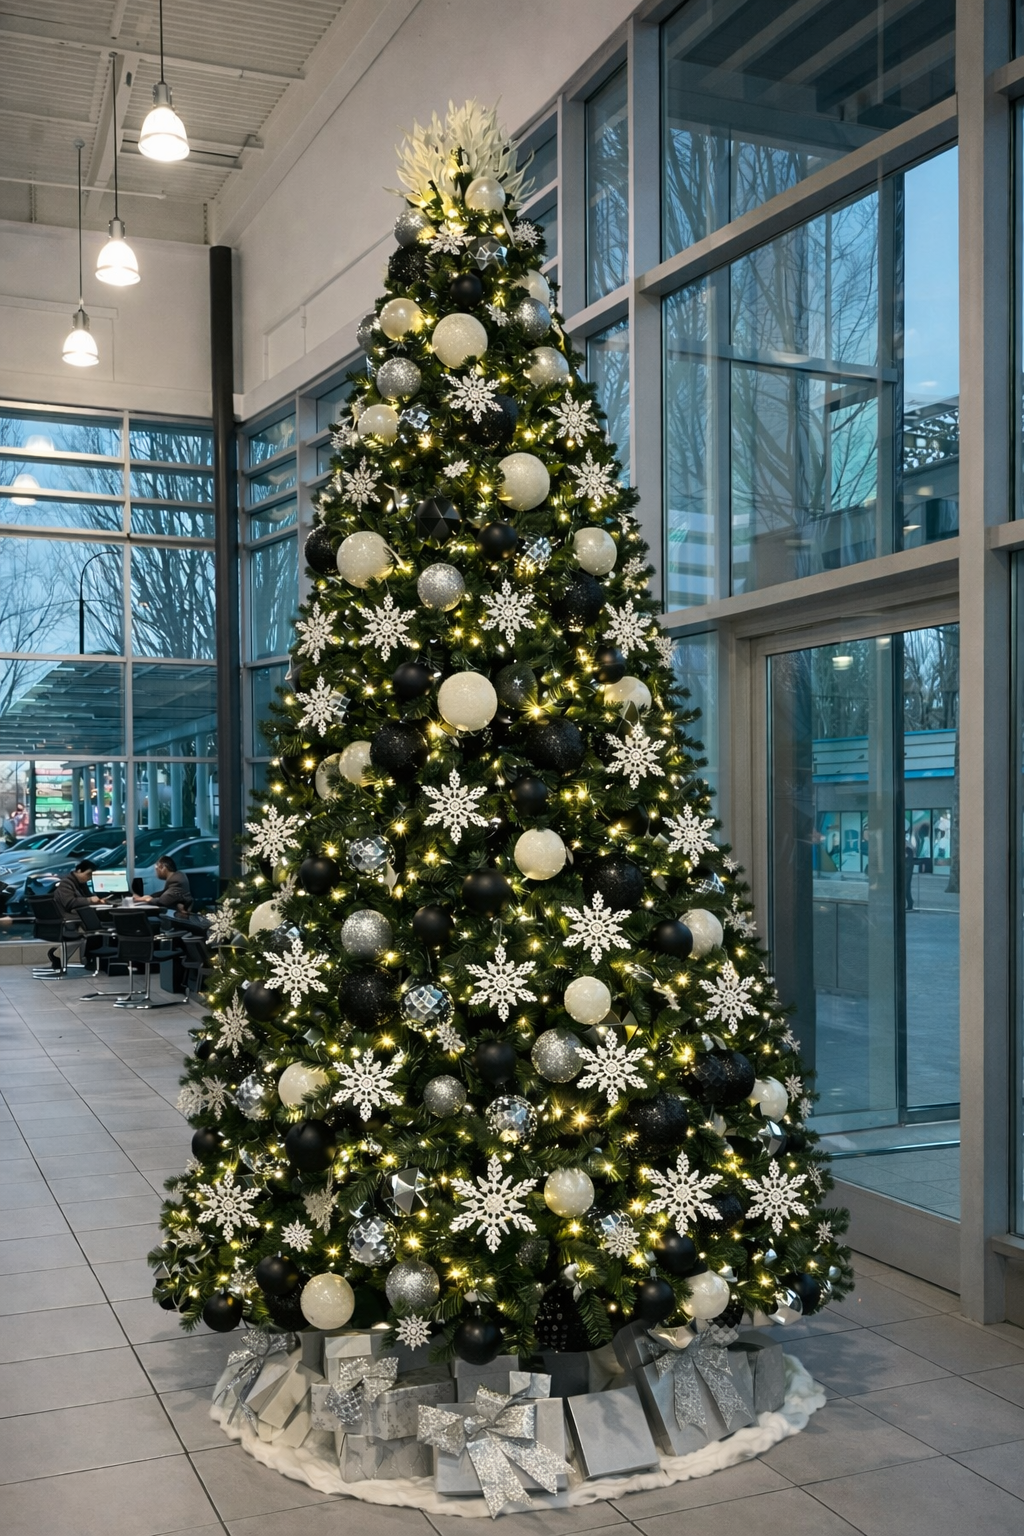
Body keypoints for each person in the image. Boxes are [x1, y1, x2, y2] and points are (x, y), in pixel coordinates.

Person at [49, 859, 102, 971]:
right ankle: (90, 959)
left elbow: (88, 896)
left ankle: (90, 959)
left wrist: (97, 900)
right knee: (95, 929)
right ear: (78, 871)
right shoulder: (66, 884)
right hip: (68, 918)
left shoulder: (79, 884)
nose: (89, 878)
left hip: (77, 917)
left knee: (96, 927)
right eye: (88, 874)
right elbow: (70, 902)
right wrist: (89, 900)